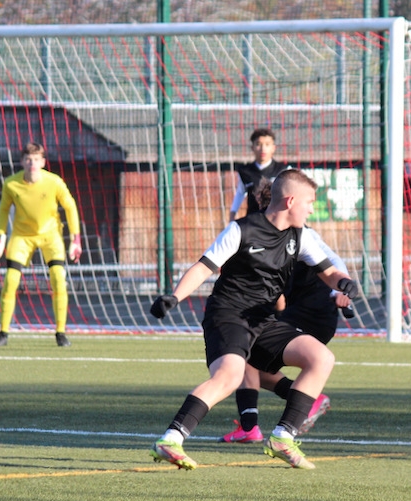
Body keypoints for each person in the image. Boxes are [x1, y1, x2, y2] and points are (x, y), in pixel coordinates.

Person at [148, 169, 359, 470]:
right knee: (230, 376)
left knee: (321, 357)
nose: (312, 208)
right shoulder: (241, 230)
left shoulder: (302, 236)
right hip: (228, 314)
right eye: (310, 202)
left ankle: (283, 437)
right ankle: (171, 439)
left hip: (264, 319)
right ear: (290, 201)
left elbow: (329, 271)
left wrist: (343, 283)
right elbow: (204, 267)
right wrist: (175, 296)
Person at [221, 180, 351, 444]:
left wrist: (340, 289)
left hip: (313, 312)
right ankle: (263, 419)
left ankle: (259, 424)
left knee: (245, 360)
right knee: (246, 361)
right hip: (298, 310)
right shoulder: (267, 234)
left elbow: (333, 260)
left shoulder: (301, 233)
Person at [0, 142, 82, 347]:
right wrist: (1, 237)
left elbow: (70, 206)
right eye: (28, 159)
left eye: (36, 159)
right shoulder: (11, 184)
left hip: (50, 235)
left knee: (58, 278)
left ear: (43, 162)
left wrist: (75, 240)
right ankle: (3, 333)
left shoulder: (54, 182)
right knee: (11, 280)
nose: (32, 163)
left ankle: (60, 333)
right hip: (22, 236)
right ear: (22, 161)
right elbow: (4, 211)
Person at [228, 128, 288, 223]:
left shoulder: (283, 170)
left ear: (273, 148)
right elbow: (240, 193)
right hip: (253, 221)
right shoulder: (245, 171)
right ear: (252, 148)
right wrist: (232, 214)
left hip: (276, 222)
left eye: (267, 144)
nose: (263, 149)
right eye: (258, 144)